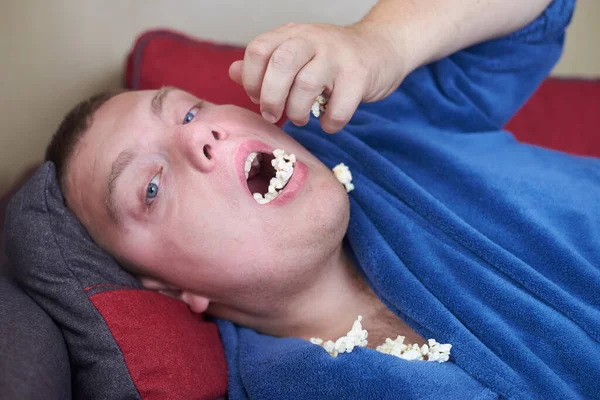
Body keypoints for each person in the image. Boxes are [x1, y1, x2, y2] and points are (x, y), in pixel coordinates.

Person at [45, 0, 600, 398]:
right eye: (151, 186)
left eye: (189, 111)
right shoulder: (286, 386)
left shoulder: (361, 122)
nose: (198, 137)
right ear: (168, 287)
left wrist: (380, 42)